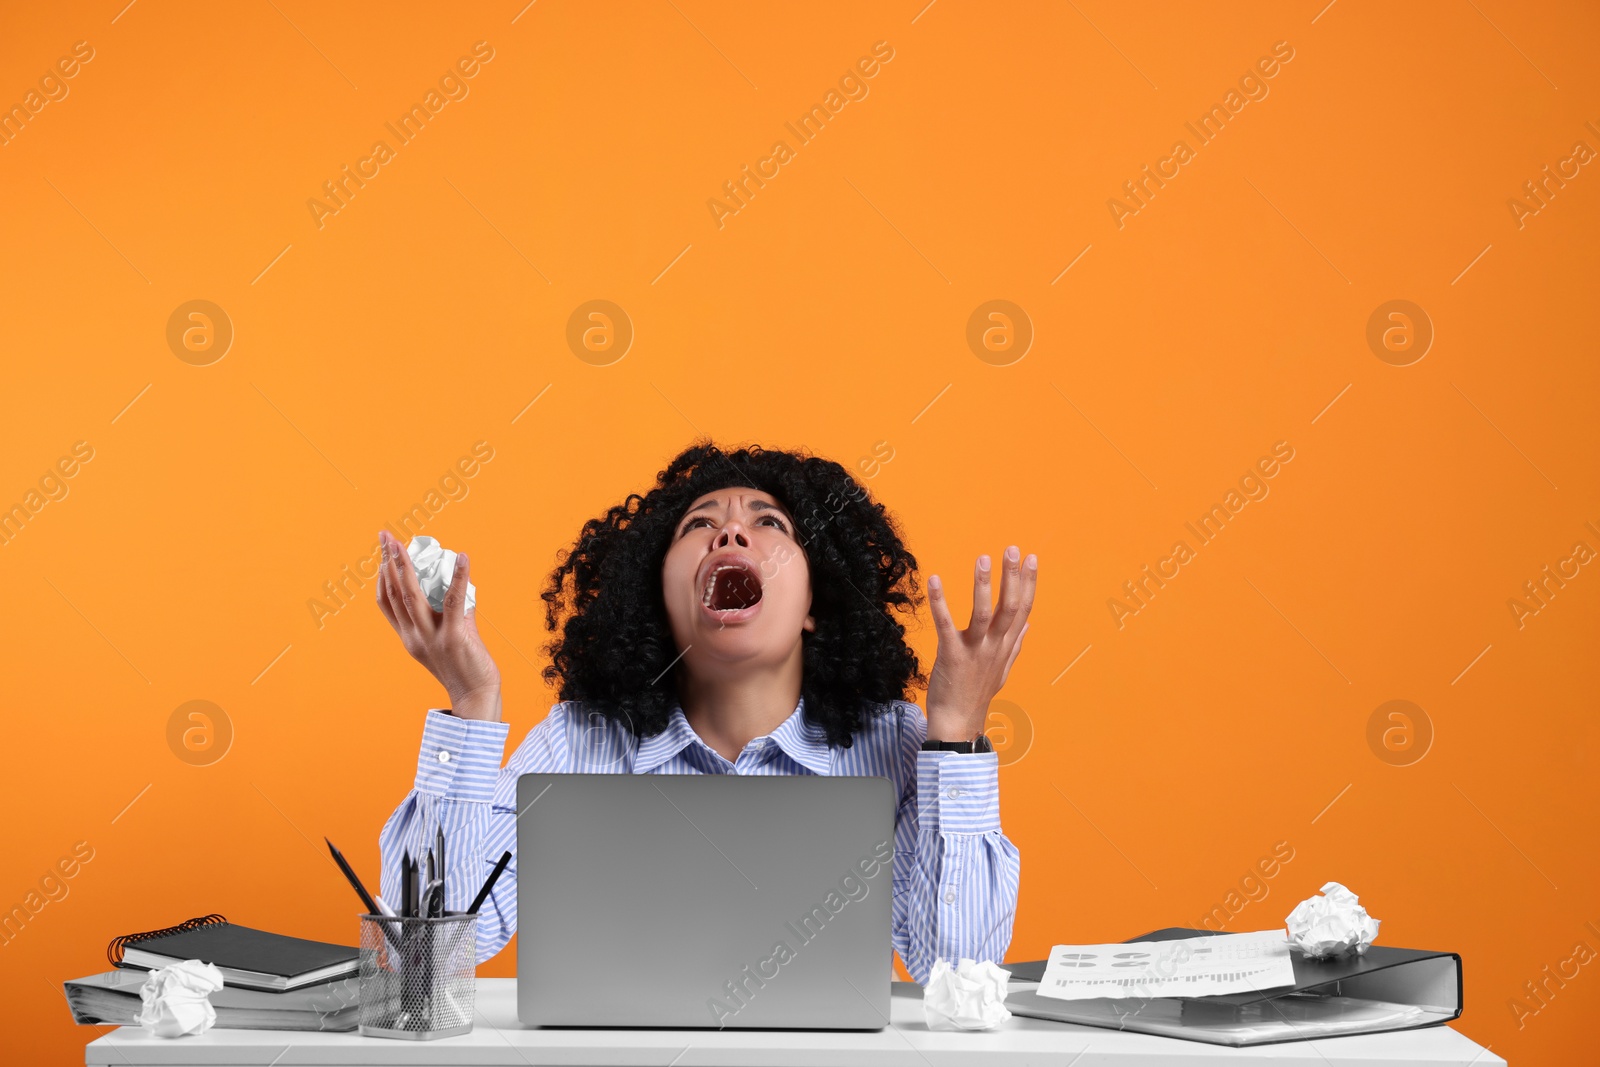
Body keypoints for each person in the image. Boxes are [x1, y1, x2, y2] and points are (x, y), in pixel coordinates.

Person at [375, 442, 1036, 984]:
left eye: (769, 522)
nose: (730, 529)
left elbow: (960, 975)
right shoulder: (580, 746)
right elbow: (421, 959)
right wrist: (471, 703)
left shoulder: (892, 745)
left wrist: (956, 735)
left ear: (814, 601)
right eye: (699, 525)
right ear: (657, 595)